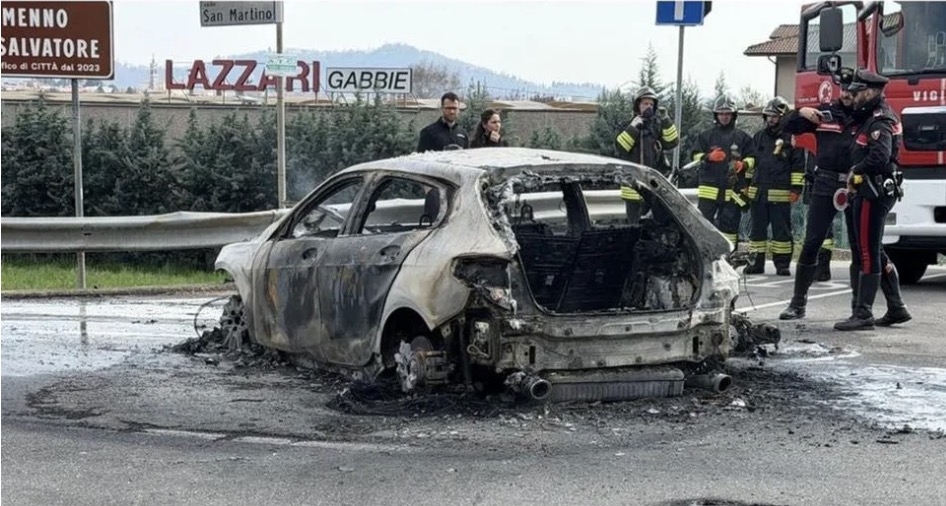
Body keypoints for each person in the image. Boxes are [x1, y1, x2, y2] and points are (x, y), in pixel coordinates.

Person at [835, 70, 910, 331]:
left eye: (857, 92)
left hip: (872, 192)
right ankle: (897, 307)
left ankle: (863, 313)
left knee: (867, 252)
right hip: (871, 190)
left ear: (871, 91)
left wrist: (857, 170)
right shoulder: (869, 116)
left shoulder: (880, 120)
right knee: (875, 249)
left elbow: (879, 157)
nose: (853, 97)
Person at [778, 83, 857, 318]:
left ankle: (863, 310)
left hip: (856, 183)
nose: (846, 95)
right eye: (843, 89)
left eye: (852, 92)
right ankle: (797, 303)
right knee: (812, 242)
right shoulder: (825, 113)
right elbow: (786, 126)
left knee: (863, 247)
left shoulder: (867, 116)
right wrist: (801, 111)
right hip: (825, 182)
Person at [743, 97, 805, 276]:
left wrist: (796, 189)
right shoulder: (758, 137)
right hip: (759, 193)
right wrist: (746, 184)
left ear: (783, 118)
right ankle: (756, 263)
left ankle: (782, 265)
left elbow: (798, 166)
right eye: (768, 116)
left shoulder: (792, 139)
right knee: (757, 231)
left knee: (782, 232)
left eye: (775, 116)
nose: (771, 119)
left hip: (780, 194)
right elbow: (751, 162)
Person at [691, 96, 755, 247]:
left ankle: (728, 258)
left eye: (727, 113)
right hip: (709, 191)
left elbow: (754, 158)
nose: (724, 116)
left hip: (732, 191)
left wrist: (743, 164)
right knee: (704, 224)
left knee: (730, 227)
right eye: (721, 113)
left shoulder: (743, 137)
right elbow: (694, 156)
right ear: (716, 115)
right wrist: (708, 157)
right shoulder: (706, 136)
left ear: (733, 115)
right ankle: (704, 254)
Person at [614, 86, 680, 222]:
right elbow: (621, 148)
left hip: (654, 189)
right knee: (634, 228)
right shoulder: (627, 126)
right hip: (633, 189)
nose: (649, 107)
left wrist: (666, 120)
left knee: (656, 227)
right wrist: (633, 128)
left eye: (651, 104)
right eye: (645, 103)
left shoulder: (657, 126)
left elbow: (672, 142)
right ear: (637, 105)